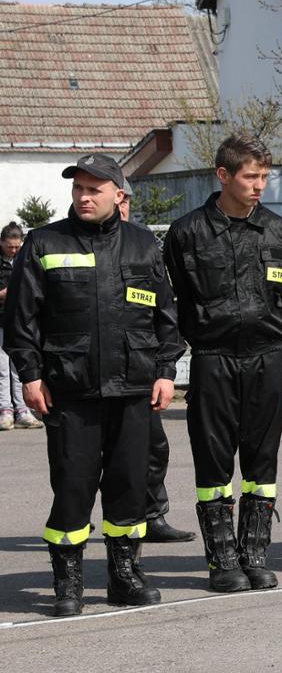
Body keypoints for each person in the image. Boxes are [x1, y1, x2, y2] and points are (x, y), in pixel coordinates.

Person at [6, 154, 183, 616]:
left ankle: (125, 576)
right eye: (79, 189)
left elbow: (166, 317)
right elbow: (20, 320)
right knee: (73, 487)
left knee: (129, 486)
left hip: (133, 390)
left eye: (94, 189)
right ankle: (68, 584)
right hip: (70, 390)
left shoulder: (144, 245)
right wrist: (30, 375)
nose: (84, 197)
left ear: (118, 195)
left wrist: (166, 371)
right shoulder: (44, 242)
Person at [164, 135, 282, 592]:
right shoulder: (187, 233)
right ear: (224, 175)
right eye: (250, 176)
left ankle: (255, 552)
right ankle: (222, 558)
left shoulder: (279, 231)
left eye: (264, 176)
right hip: (213, 358)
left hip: (266, 358)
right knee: (214, 459)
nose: (259, 185)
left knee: (263, 458)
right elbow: (175, 302)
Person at [120, 195, 195, 545]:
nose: (121, 205)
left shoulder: (142, 243)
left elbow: (164, 309)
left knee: (153, 448)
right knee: (86, 458)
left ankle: (152, 516)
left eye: (125, 198)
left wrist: (165, 367)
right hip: (89, 374)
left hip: (140, 367)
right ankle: (80, 516)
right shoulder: (67, 242)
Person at [0, 222, 37, 430]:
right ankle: (5, 410)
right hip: (1, 320)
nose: (13, 250)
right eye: (9, 247)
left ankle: (23, 410)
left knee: (19, 367)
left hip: (20, 321)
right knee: (2, 368)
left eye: (16, 246)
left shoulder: (25, 259)